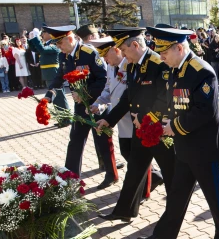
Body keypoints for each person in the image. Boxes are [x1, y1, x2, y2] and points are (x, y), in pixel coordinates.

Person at [136, 26, 219, 239]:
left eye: (165, 53)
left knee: (213, 194)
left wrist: (173, 128)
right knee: (177, 192)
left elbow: (204, 111)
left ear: (179, 48)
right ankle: (164, 234)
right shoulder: (174, 70)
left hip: (205, 147)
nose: (162, 58)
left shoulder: (202, 72)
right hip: (184, 146)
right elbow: (169, 103)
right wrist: (152, 121)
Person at [96, 28, 175, 222]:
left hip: (157, 129)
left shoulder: (158, 64)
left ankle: (172, 218)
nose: (122, 55)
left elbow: (165, 98)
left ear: (135, 45)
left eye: (123, 50)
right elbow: (128, 98)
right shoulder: (131, 66)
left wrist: (147, 117)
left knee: (171, 173)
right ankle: (124, 211)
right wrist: (109, 119)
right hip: (141, 129)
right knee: (135, 170)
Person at [43, 25, 117, 189]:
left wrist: (86, 94)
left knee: (103, 141)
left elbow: (104, 79)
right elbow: (59, 77)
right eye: (56, 45)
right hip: (79, 106)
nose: (58, 47)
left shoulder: (89, 53)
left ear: (69, 39)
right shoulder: (65, 56)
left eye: (59, 43)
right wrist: (48, 96)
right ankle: (70, 178)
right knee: (75, 140)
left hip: (97, 105)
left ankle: (111, 175)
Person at [90, 37, 162, 200]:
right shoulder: (111, 66)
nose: (105, 60)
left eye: (106, 55)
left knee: (138, 157)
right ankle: (155, 178)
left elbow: (130, 96)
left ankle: (145, 189)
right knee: (126, 152)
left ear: (116, 50)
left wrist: (110, 117)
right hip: (121, 119)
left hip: (135, 119)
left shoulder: (130, 65)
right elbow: (109, 89)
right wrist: (99, 103)